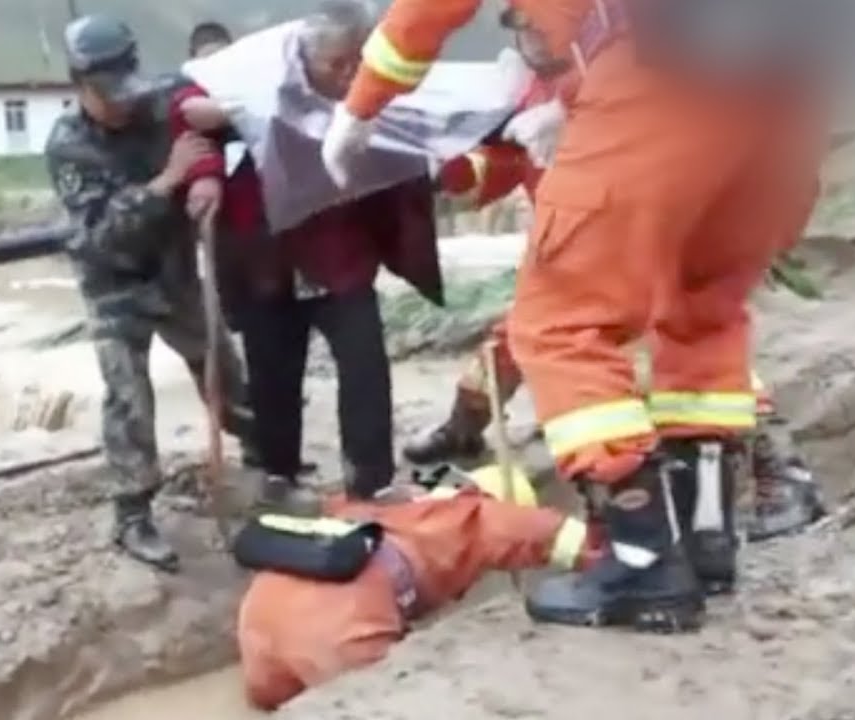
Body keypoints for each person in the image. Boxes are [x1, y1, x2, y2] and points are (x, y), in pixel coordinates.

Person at [321, 0, 827, 632]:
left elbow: (426, 14)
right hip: (783, 102)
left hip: (657, 82)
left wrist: (360, 107)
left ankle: (643, 558)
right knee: (703, 314)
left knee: (558, 326)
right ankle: (705, 543)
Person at [406, 65, 826, 551]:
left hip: (644, 233)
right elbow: (497, 166)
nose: (530, 30)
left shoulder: (617, 62)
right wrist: (441, 172)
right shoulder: (526, 93)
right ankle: (465, 427)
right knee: (527, 334)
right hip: (576, 245)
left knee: (685, 347)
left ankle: (772, 473)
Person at [170, 0, 445, 510]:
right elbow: (185, 106)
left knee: (365, 366)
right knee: (273, 368)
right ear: (305, 57)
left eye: (354, 63)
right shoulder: (258, 74)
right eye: (334, 64)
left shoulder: (378, 89)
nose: (346, 75)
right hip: (266, 254)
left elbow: (425, 125)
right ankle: (278, 474)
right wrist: (213, 152)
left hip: (341, 252)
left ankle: (371, 480)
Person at [45, 14, 261, 573]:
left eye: (125, 88)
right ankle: (133, 513)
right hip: (113, 284)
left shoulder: (163, 98)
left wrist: (207, 173)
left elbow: (219, 127)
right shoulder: (69, 145)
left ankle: (262, 455)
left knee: (220, 365)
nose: (123, 105)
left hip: (174, 271)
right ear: (79, 84)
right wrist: (168, 181)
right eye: (107, 95)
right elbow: (98, 235)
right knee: (129, 398)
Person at [236, 464, 594, 709]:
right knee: (383, 699)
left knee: (270, 702)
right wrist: (611, 561)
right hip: (343, 619)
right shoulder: (475, 514)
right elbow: (552, 534)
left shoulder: (385, 503)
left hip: (263, 607)